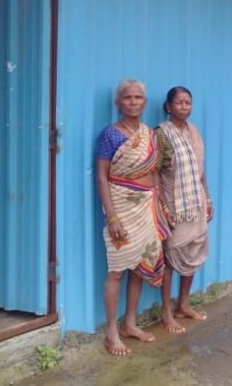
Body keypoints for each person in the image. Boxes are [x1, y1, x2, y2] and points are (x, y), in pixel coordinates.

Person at [95, 79, 168, 355]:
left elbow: (154, 173)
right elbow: (102, 177)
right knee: (116, 270)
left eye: (138, 97)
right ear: (118, 103)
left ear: (145, 103)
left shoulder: (150, 135)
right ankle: (111, 333)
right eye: (128, 97)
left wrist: (160, 207)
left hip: (147, 208)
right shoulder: (110, 135)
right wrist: (112, 217)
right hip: (121, 208)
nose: (133, 102)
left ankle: (129, 323)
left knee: (139, 267)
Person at [156, 87, 213, 334]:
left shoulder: (194, 131)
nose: (184, 106)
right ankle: (166, 312)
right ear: (168, 107)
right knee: (170, 256)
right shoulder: (162, 134)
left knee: (194, 252)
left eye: (188, 102)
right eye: (179, 102)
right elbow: (155, 173)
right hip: (174, 204)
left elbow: (200, 170)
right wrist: (163, 206)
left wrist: (207, 199)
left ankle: (183, 304)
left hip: (196, 203)